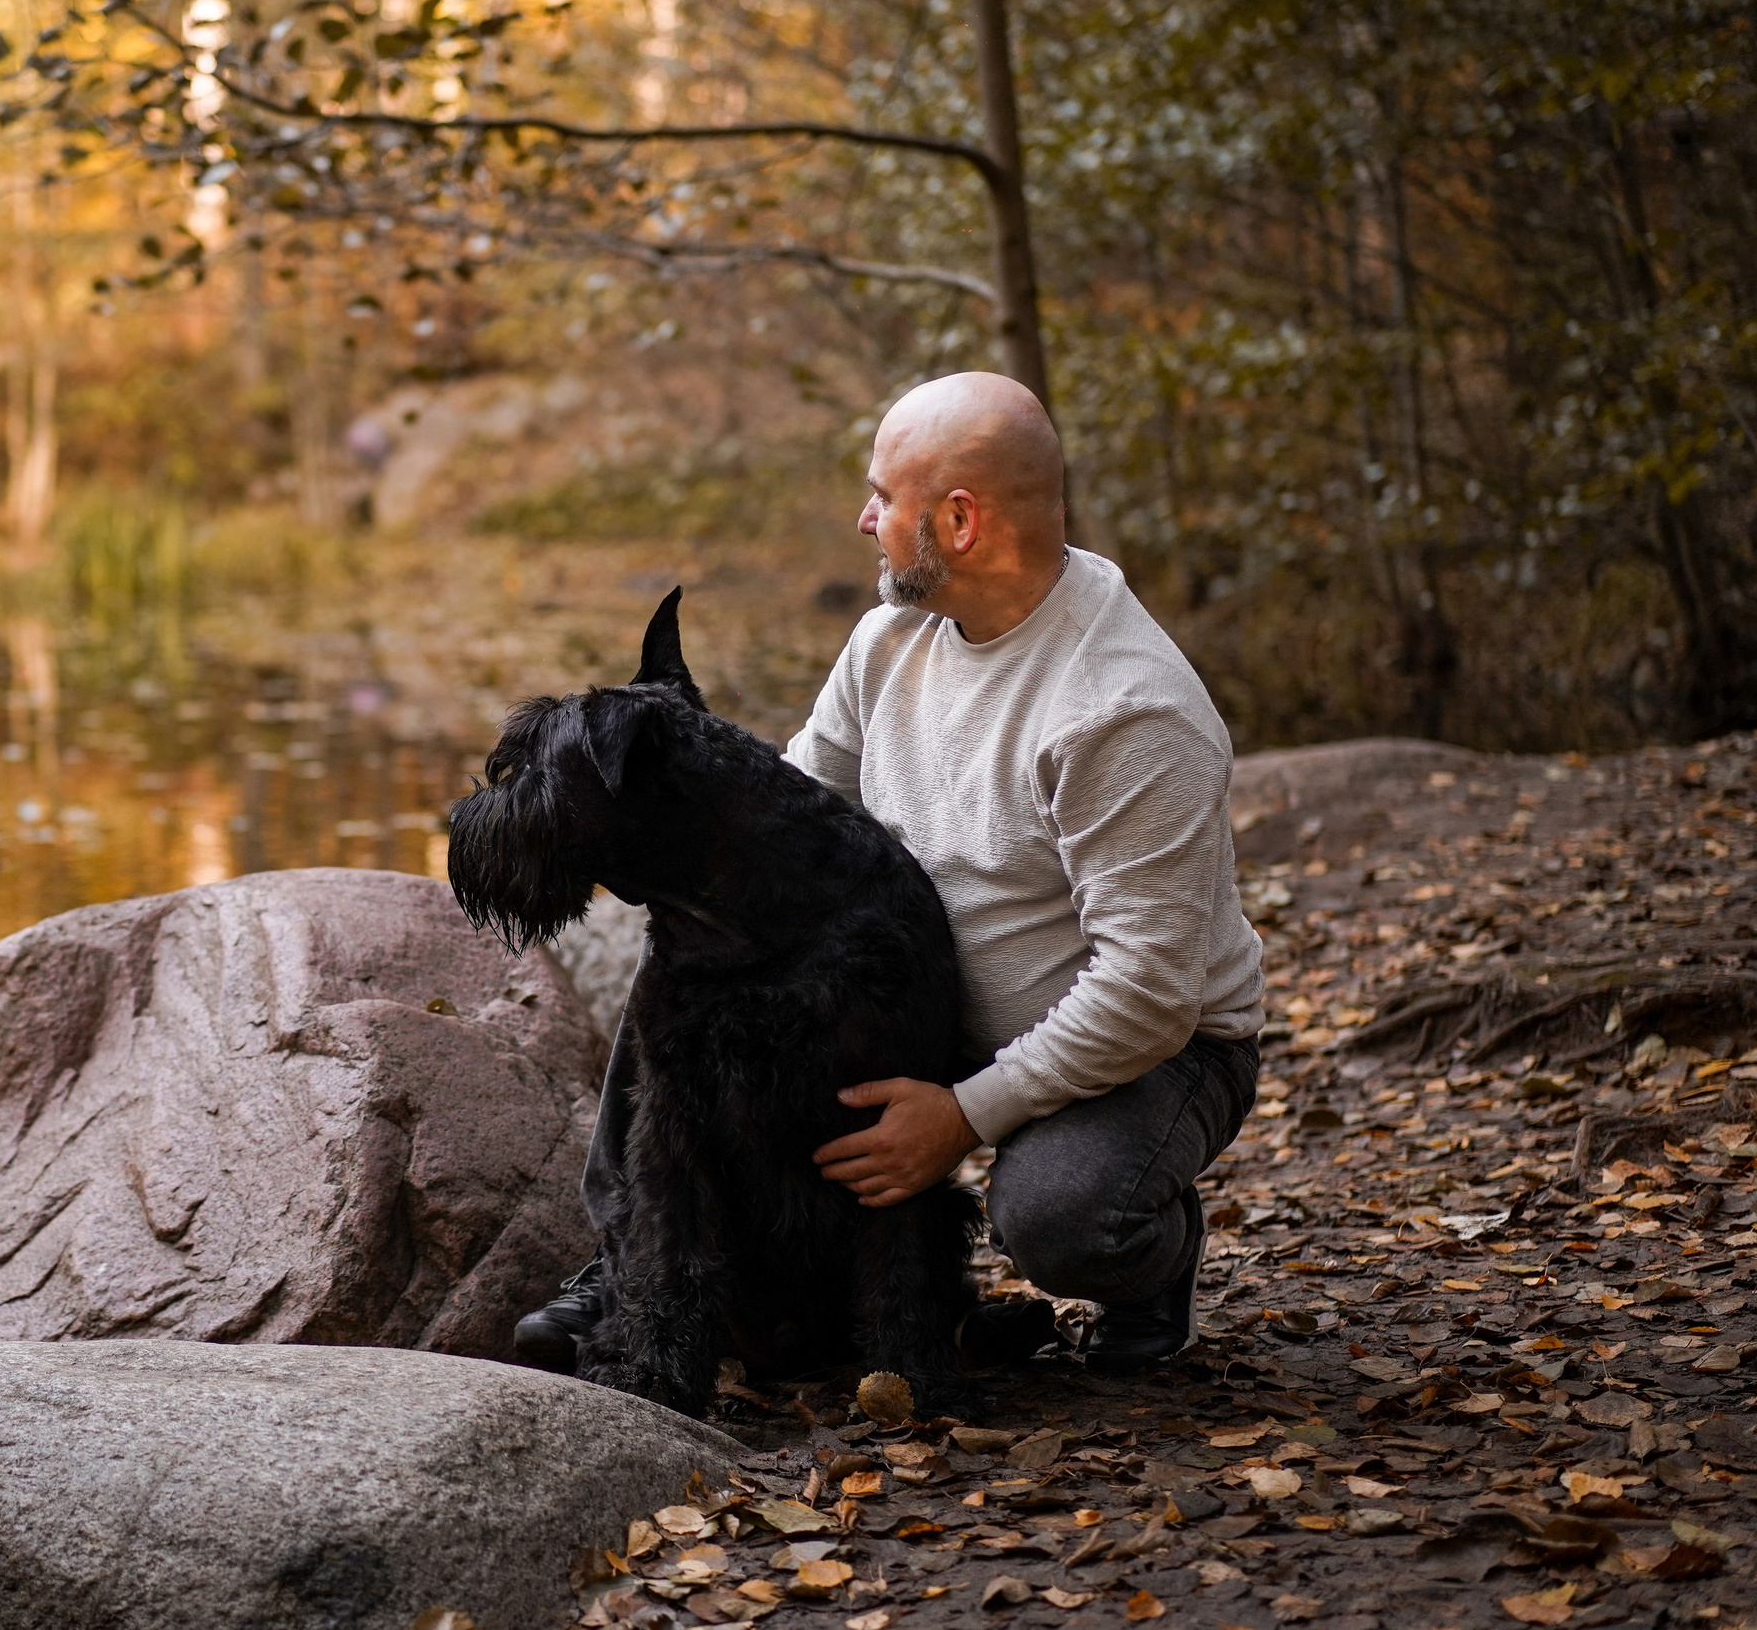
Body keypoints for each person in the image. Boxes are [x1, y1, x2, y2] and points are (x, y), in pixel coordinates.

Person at [515, 371, 1264, 1376]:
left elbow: (1149, 995)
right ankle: (633, 1263)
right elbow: (778, 829)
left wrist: (961, 1116)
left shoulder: (1124, 713)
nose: (861, 518)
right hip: (922, 1002)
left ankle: (1148, 1261)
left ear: (957, 520)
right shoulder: (892, 635)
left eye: (882, 495)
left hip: (1155, 1050)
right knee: (690, 953)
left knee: (1055, 1215)